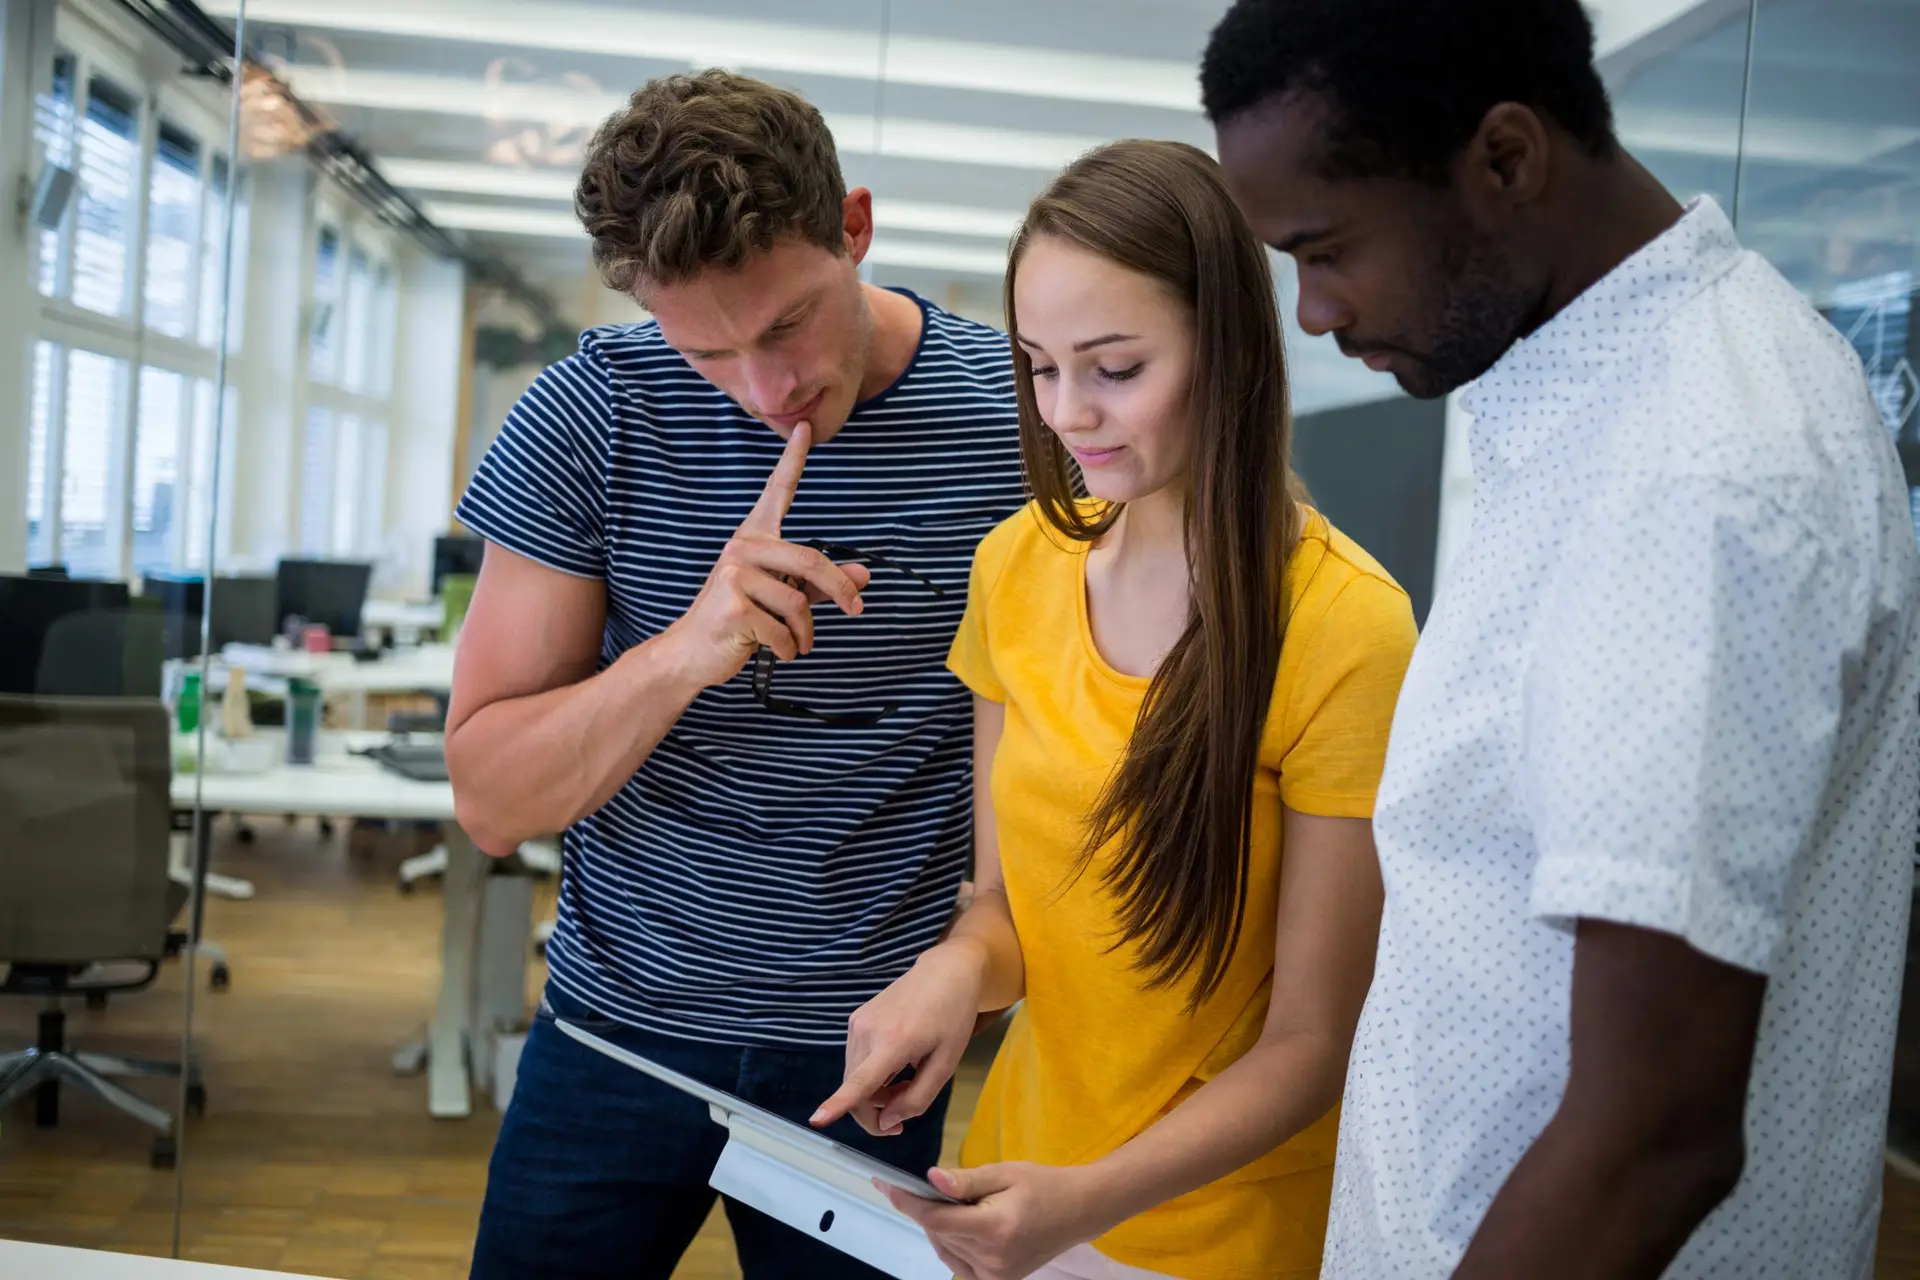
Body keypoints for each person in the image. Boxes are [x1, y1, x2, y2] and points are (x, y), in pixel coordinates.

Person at [1201, 2, 1920, 1276]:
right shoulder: (1603, 399)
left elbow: (1655, 1132)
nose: (1311, 313)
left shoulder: (1695, 475)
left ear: (1508, 160)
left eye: (1325, 250)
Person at [445, 70, 1026, 1279]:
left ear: (854, 227)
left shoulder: (1012, 425)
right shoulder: (592, 411)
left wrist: (980, 954)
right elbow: (493, 799)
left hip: (867, 1056)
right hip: (616, 1036)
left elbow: (1043, 763)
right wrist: (687, 648)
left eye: (788, 325)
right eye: (704, 348)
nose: (765, 391)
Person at [812, 139, 1419, 1280]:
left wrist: (1084, 1201)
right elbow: (1001, 909)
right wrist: (954, 970)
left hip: (1216, 1229)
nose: (1068, 414)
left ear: (1228, 349)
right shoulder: (1017, 566)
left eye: (1116, 367)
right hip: (1011, 1187)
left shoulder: (1348, 628)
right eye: (1040, 367)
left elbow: (1309, 1045)